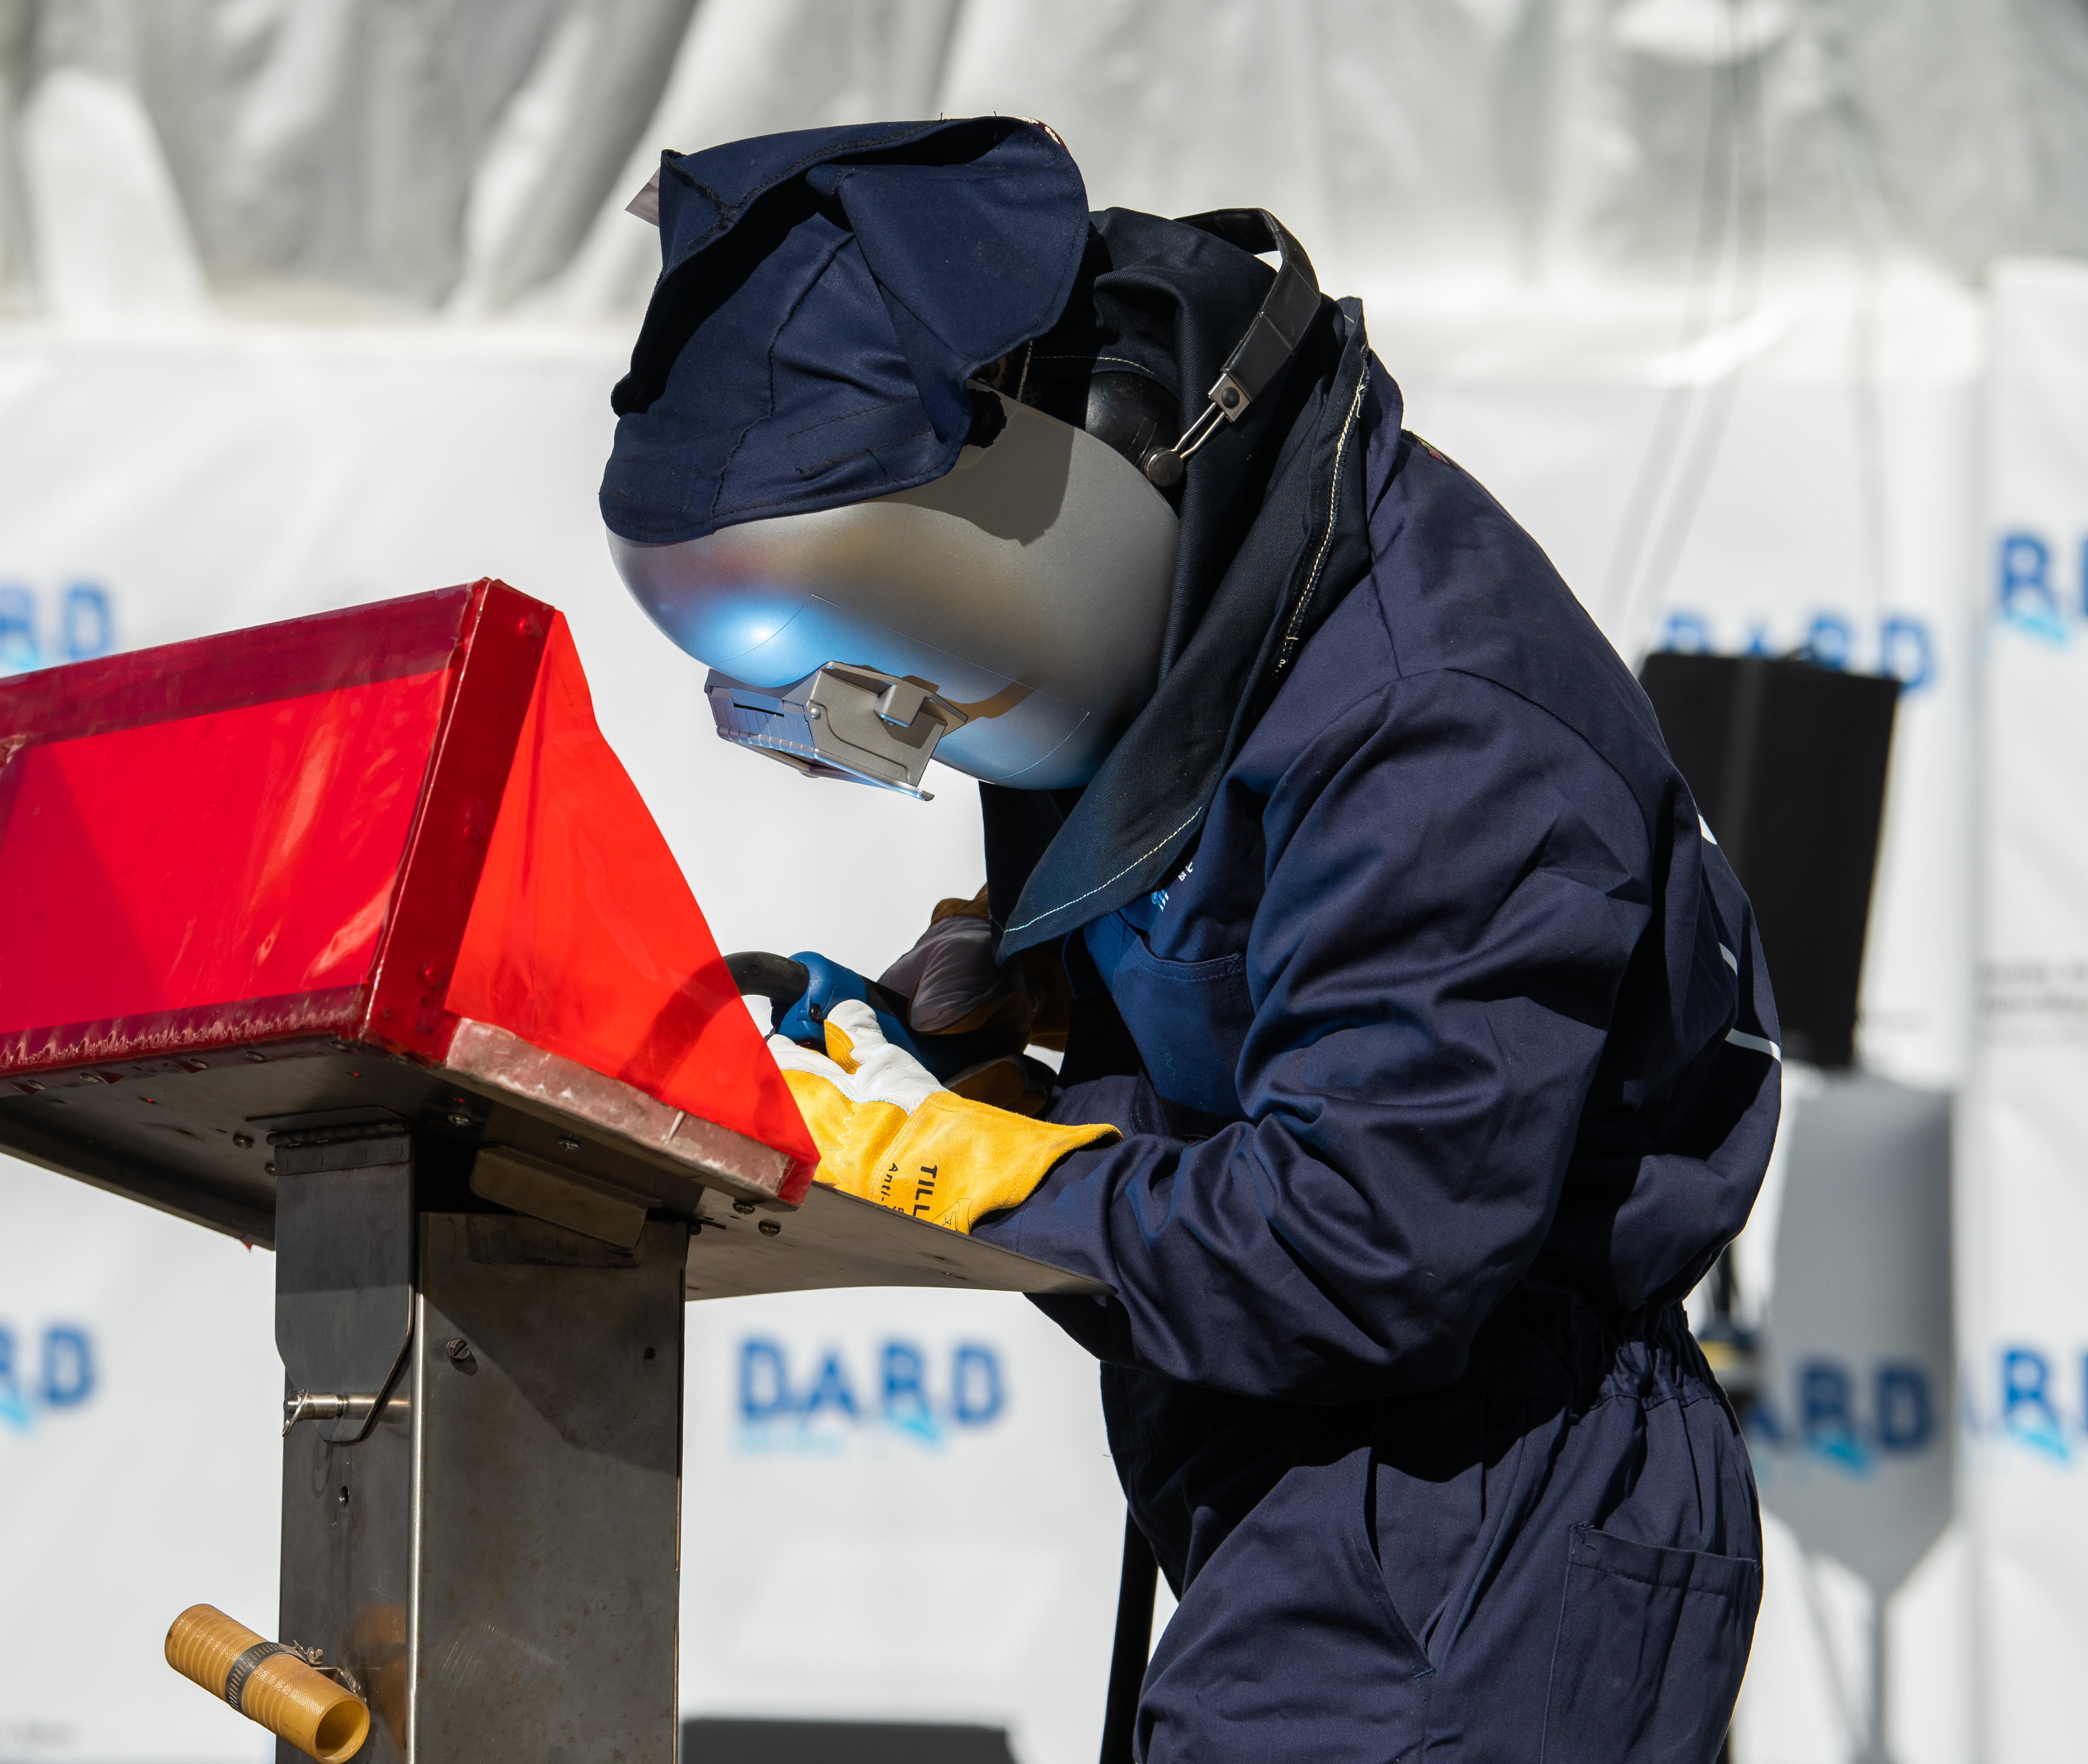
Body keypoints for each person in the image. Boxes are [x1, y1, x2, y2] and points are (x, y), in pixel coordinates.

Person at [603, 116, 1776, 1764]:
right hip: (1319, 1492)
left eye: (899, 673)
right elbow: (1234, 1014)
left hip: (1481, 1514)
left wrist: (974, 1161)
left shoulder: (1434, 728)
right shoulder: (1191, 618)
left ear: (1047, 520)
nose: (914, 740)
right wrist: (966, 1023)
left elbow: (1368, 1246)